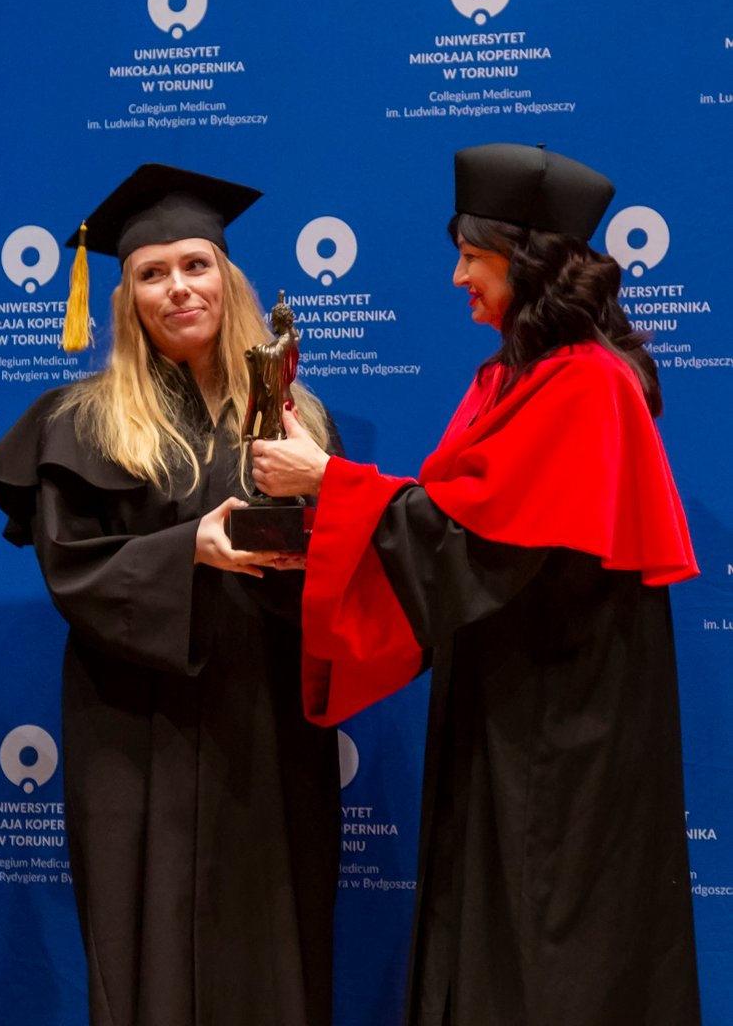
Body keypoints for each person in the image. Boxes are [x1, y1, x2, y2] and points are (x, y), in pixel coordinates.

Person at [249, 142, 700, 1025]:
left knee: (547, 936)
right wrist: (332, 518)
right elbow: (455, 517)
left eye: (471, 255)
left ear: (526, 259)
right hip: (506, 700)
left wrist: (332, 483)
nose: (457, 277)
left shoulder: (588, 384)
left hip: (565, 722)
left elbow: (481, 542)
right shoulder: (509, 376)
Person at [0, 164, 342, 1026]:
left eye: (195, 265)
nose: (178, 287)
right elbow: (72, 569)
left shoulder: (296, 417)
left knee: (272, 937)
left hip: (266, 720)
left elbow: (341, 571)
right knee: (144, 941)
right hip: (137, 728)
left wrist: (319, 505)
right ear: (127, 299)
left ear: (228, 278)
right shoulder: (83, 421)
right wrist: (190, 550)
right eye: (152, 273)